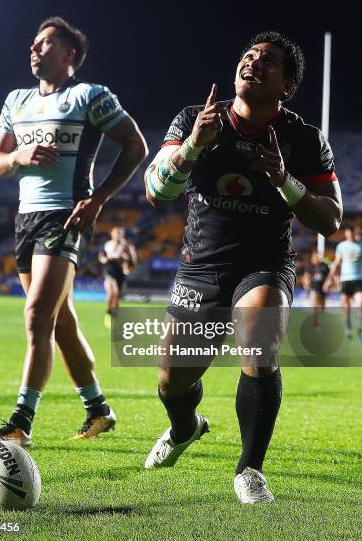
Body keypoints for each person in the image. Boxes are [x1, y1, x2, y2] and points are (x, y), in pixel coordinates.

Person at [144, 31, 342, 503]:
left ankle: (250, 469)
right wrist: (194, 145)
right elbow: (155, 192)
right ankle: (185, 428)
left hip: (265, 264)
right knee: (173, 380)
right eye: (249, 56)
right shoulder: (195, 119)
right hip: (201, 267)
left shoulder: (304, 139)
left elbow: (331, 219)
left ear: (287, 85)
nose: (253, 62)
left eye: (268, 61)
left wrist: (282, 179)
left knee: (258, 340)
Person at [0, 16, 148, 446]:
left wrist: (100, 197)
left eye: (45, 43)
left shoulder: (89, 96)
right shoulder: (16, 100)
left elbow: (135, 146)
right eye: (33, 43)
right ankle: (99, 411)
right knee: (61, 322)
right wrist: (19, 156)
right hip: (25, 219)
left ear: (69, 54)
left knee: (36, 315)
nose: (34, 49)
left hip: (66, 216)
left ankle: (21, 422)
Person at [323, 225, 362, 342]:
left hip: (358, 279)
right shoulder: (341, 246)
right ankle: (348, 328)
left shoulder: (360, 245)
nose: (350, 234)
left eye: (352, 232)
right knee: (346, 308)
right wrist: (328, 280)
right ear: (346, 233)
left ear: (355, 233)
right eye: (348, 232)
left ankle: (360, 329)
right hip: (345, 280)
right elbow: (336, 264)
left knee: (360, 303)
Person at [98, 226, 137, 327]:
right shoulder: (108, 245)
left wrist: (126, 257)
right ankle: (108, 313)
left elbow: (133, 262)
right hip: (109, 269)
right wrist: (105, 259)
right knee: (112, 292)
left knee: (117, 296)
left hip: (120, 272)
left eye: (120, 233)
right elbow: (101, 257)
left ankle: (114, 315)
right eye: (117, 233)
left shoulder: (127, 246)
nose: (119, 235)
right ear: (112, 234)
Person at [303, 250, 330, 329]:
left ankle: (323, 322)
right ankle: (315, 323)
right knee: (315, 306)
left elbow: (328, 277)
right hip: (314, 288)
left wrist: (329, 284)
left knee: (323, 307)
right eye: (316, 256)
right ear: (313, 257)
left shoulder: (325, 266)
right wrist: (306, 283)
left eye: (319, 256)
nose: (318, 258)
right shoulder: (310, 266)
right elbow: (306, 276)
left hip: (323, 288)